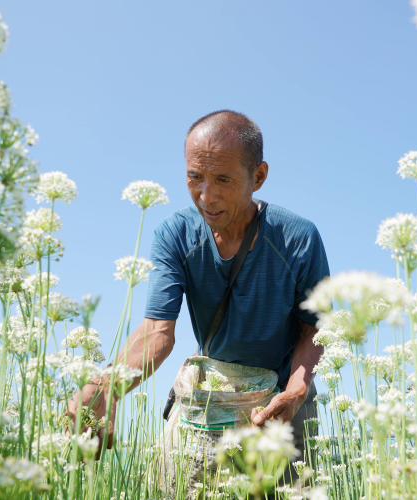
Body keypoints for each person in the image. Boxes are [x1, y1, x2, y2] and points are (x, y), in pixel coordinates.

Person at [68, 109, 330, 483]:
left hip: (282, 394)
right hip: (210, 396)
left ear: (258, 176)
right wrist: (104, 388)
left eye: (223, 179)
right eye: (194, 177)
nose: (206, 196)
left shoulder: (298, 237)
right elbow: (158, 329)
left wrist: (296, 392)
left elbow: (314, 330)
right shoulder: (174, 235)